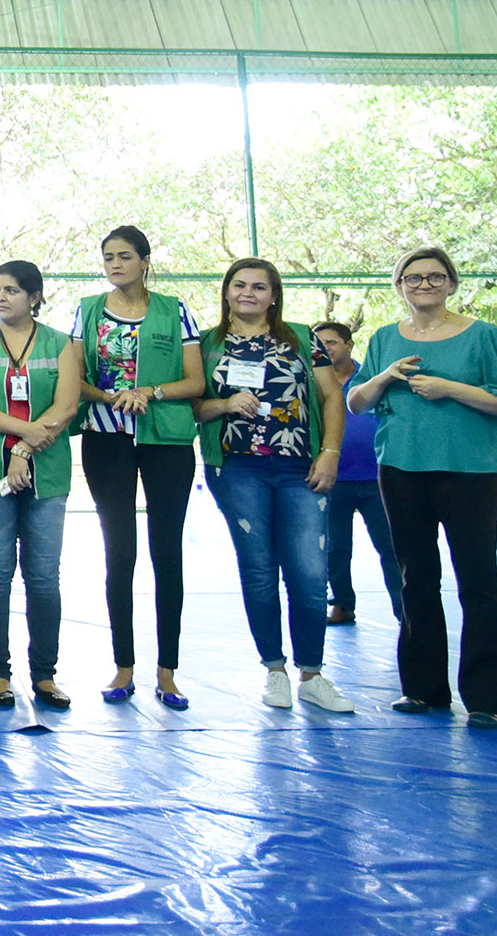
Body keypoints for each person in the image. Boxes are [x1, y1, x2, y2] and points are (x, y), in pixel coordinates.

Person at [348, 247, 497, 728]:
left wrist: (449, 388)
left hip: (468, 472)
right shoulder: (385, 338)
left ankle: (486, 698)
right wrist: (385, 376)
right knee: (415, 578)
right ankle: (423, 689)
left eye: (435, 277)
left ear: (452, 283)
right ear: (399, 286)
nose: (424, 285)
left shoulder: (484, 336)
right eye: (413, 278)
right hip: (401, 469)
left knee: (478, 579)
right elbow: (356, 401)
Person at [195, 259, 353, 713]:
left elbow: (331, 396)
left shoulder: (302, 339)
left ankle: (312, 674)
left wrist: (330, 452)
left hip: (300, 466)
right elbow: (194, 406)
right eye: (239, 285)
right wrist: (225, 404)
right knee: (259, 569)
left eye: (259, 287)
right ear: (226, 291)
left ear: (274, 295)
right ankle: (275, 671)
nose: (248, 293)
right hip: (237, 468)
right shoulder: (206, 344)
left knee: (309, 571)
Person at [70, 225, 205, 709]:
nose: (115, 264)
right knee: (119, 552)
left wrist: (150, 391)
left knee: (167, 553)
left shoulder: (175, 309)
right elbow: (74, 378)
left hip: (166, 440)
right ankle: (123, 667)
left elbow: (195, 381)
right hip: (106, 440)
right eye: (108, 256)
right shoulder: (87, 310)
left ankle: (167, 673)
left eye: (125, 256)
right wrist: (111, 397)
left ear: (145, 261)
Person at [0, 261, 82, 711]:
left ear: (34, 297)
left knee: (43, 576)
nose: (0, 297)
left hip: (47, 470)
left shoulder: (60, 343)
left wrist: (25, 448)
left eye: (10, 290)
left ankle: (45, 674)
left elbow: (66, 406)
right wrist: (22, 430)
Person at [312, 321, 403, 625]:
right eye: (319, 343)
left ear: (349, 345)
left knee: (392, 547)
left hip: (378, 478)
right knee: (335, 548)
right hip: (332, 480)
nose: (325, 348)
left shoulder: (370, 379)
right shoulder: (312, 382)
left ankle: (405, 611)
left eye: (332, 342)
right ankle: (341, 604)